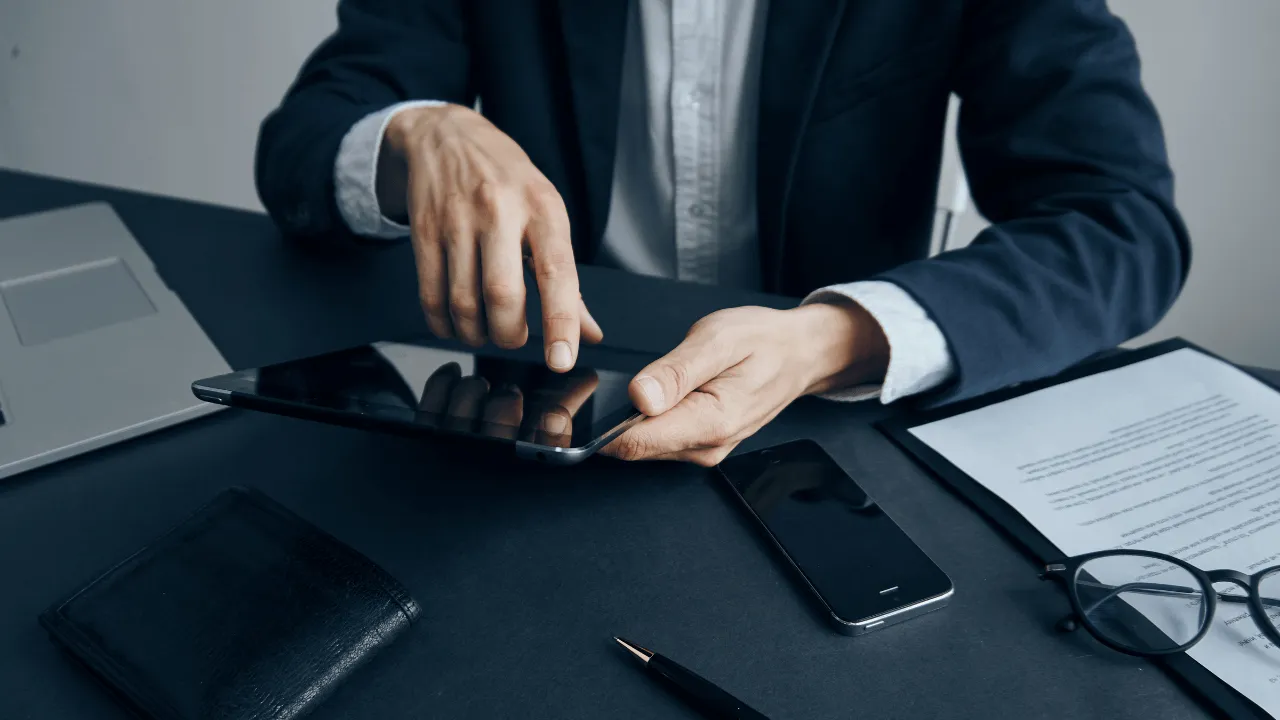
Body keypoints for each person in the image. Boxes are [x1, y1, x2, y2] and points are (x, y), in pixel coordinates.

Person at [256, 0, 1189, 466]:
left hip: (825, 434)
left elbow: (1122, 224)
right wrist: (416, 133)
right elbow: (300, 144)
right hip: (526, 412)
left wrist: (836, 338)